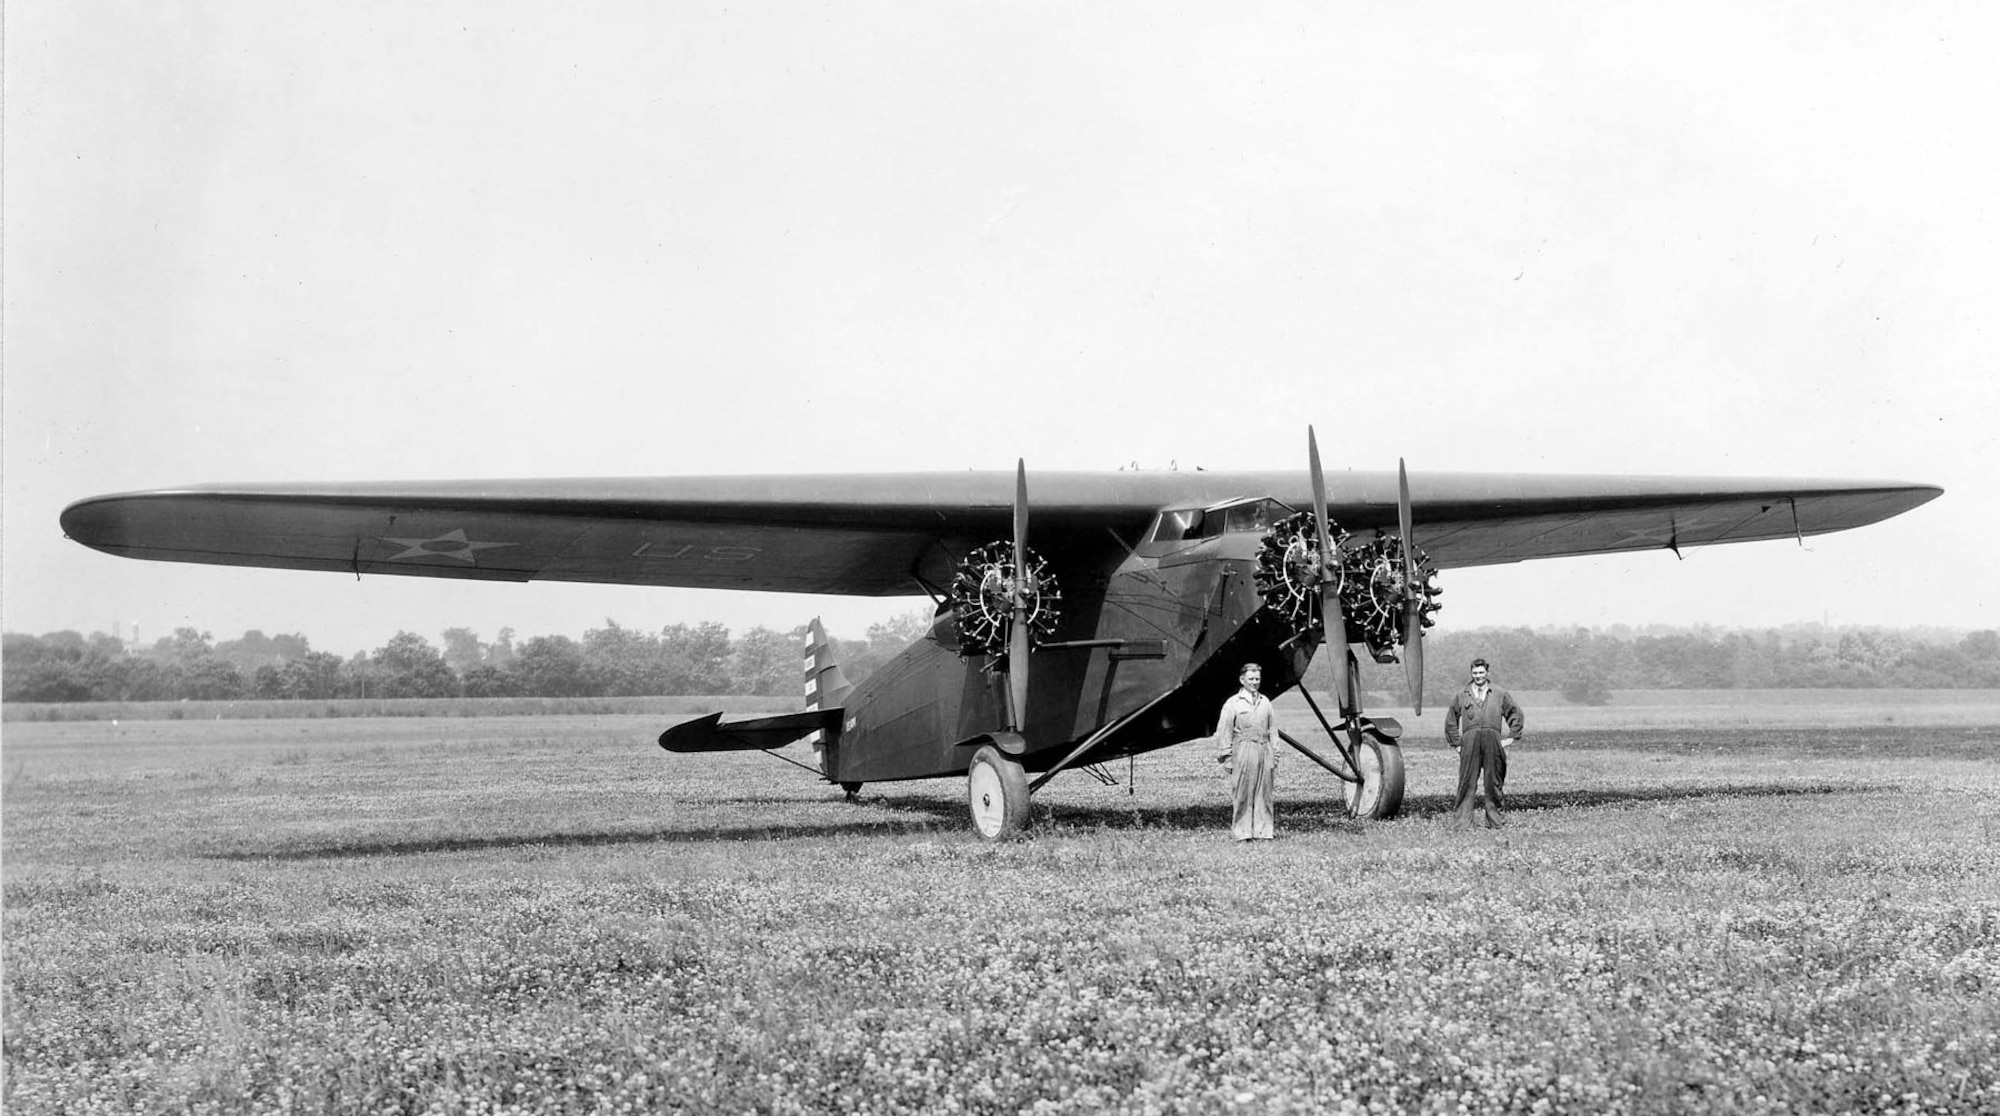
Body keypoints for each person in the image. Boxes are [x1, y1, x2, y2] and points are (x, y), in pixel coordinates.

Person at [1443, 657, 1524, 829]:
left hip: (1492, 741)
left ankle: (1495, 823)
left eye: (1481, 672)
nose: (1478, 676)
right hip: (1469, 742)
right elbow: (1451, 720)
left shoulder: (1499, 693)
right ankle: (1462, 824)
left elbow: (1515, 713)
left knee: (1493, 782)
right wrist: (1457, 744)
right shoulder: (1462, 695)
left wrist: (1510, 738)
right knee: (1466, 783)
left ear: (1487, 673)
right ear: (1471, 673)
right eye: (1475, 673)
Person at [1214, 662, 1279, 840]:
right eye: (1251, 679)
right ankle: (1242, 833)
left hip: (1264, 748)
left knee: (1264, 793)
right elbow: (1224, 731)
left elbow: (1273, 729)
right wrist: (1226, 757)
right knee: (1242, 792)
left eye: (1257, 678)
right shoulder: (1233, 703)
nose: (1254, 682)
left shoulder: (1265, 702)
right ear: (1242, 680)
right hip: (1243, 749)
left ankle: (1264, 832)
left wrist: (1275, 753)